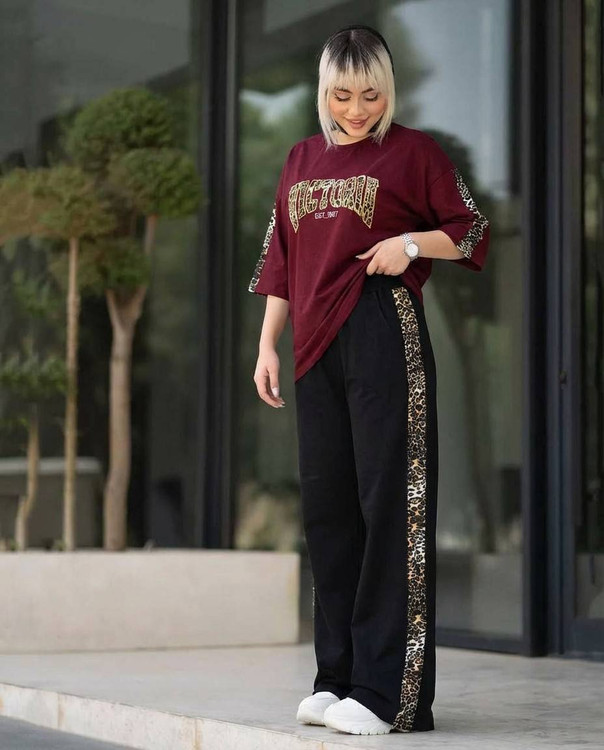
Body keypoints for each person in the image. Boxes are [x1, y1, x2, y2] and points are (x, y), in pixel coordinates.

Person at [248, 24, 490, 736]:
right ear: (324, 92)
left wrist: (409, 243)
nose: (356, 109)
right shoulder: (299, 158)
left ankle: (391, 695)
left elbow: (470, 229)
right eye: (342, 95)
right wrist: (266, 344)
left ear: (388, 92)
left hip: (384, 328)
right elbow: (281, 258)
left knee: (392, 506)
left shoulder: (415, 153)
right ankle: (338, 678)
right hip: (313, 344)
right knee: (329, 511)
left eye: (371, 94)